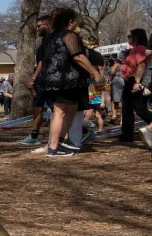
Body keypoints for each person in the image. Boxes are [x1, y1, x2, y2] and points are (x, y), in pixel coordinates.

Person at [35, 8, 103, 157]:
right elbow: (78, 56)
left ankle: (62, 142)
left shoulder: (50, 37)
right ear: (70, 22)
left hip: (55, 80)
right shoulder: (68, 35)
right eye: (75, 21)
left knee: (72, 109)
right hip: (63, 80)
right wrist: (95, 73)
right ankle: (53, 148)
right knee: (59, 113)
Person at [19, 13, 54, 146]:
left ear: (48, 24)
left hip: (49, 80)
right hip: (44, 80)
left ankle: (81, 130)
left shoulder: (51, 41)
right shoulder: (45, 41)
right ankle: (34, 136)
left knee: (56, 109)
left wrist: (33, 79)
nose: (38, 28)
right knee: (38, 107)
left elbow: (42, 63)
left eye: (40, 26)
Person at [118, 28, 152, 146]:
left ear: (136, 37)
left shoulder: (141, 49)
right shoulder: (135, 50)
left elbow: (141, 65)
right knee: (127, 108)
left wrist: (137, 82)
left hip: (135, 79)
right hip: (129, 80)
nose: (129, 38)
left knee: (139, 108)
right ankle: (126, 135)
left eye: (130, 36)